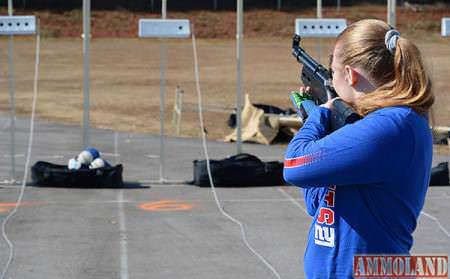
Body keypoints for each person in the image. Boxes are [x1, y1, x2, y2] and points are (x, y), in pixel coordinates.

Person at [283, 19, 434, 278]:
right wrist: (324, 132)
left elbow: (294, 166)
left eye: (334, 73)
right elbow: (317, 203)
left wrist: (317, 118)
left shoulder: (393, 125)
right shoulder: (378, 126)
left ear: (351, 75)